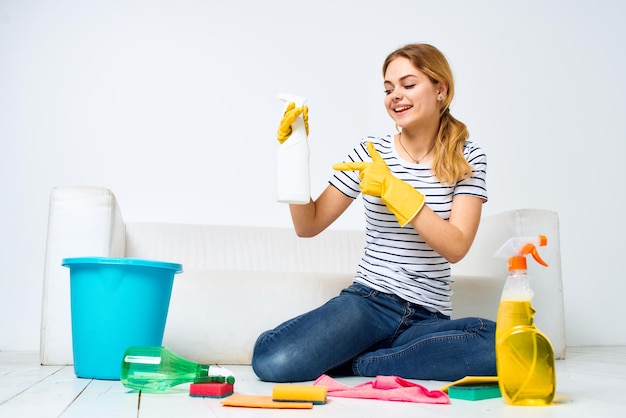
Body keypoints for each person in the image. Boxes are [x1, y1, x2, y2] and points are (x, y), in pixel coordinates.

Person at [252, 43, 496, 383]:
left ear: (441, 89)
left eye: (408, 85)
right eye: (388, 88)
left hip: (429, 317)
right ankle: (388, 360)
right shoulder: (370, 153)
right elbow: (308, 225)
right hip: (370, 304)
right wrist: (295, 152)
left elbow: (455, 247)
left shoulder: (469, 157)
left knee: (497, 345)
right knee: (272, 359)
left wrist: (397, 193)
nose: (395, 95)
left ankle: (361, 363)